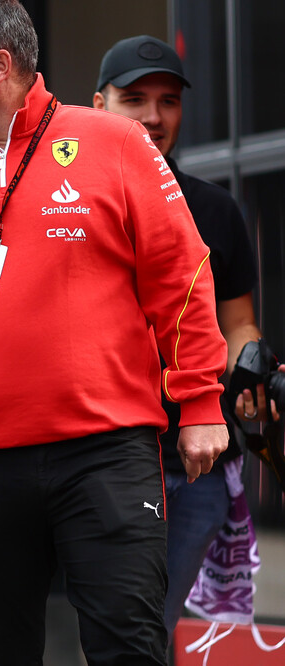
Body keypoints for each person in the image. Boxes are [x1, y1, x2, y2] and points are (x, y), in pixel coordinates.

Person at [0, 1, 228, 663]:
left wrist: (200, 401)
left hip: (107, 453)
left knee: (130, 648)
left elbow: (182, 275)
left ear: (0, 66)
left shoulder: (114, 144)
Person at [94, 34, 274, 650]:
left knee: (147, 633)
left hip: (196, 466)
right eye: (134, 99)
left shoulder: (216, 210)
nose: (153, 117)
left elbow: (237, 326)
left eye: (167, 101)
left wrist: (250, 367)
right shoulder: (69, 212)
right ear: (98, 106)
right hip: (100, 464)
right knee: (131, 636)